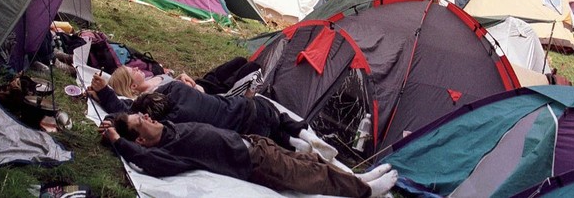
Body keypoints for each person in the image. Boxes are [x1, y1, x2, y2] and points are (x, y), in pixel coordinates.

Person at [100, 115, 398, 198]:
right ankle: (365, 190)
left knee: (313, 162)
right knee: (314, 177)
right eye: (142, 122)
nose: (147, 116)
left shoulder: (168, 129)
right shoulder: (168, 151)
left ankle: (356, 177)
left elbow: (123, 109)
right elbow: (147, 161)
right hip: (255, 163)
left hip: (256, 144)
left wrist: (113, 115)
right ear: (140, 139)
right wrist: (116, 139)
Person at [88, 72, 334, 158]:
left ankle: (295, 144)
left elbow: (127, 117)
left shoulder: (171, 125)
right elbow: (130, 111)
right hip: (248, 107)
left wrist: (109, 107)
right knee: (277, 116)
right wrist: (107, 92)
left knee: (275, 136)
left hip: (251, 132)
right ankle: (304, 135)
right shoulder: (175, 88)